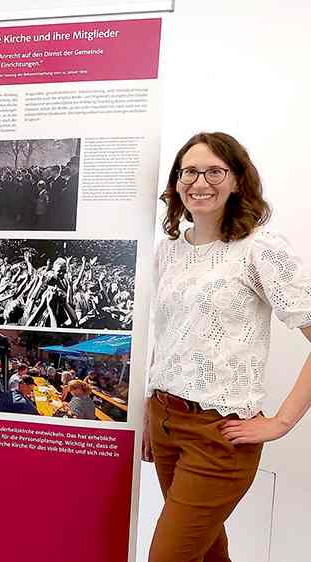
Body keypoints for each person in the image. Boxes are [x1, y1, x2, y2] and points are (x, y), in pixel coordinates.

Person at [145, 132, 311, 562]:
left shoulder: (259, 249)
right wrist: (149, 414)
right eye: (190, 172)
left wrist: (281, 422)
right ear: (177, 183)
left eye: (215, 171)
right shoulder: (169, 252)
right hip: (165, 422)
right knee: (205, 552)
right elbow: (165, 335)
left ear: (237, 180)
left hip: (219, 436)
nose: (200, 182)